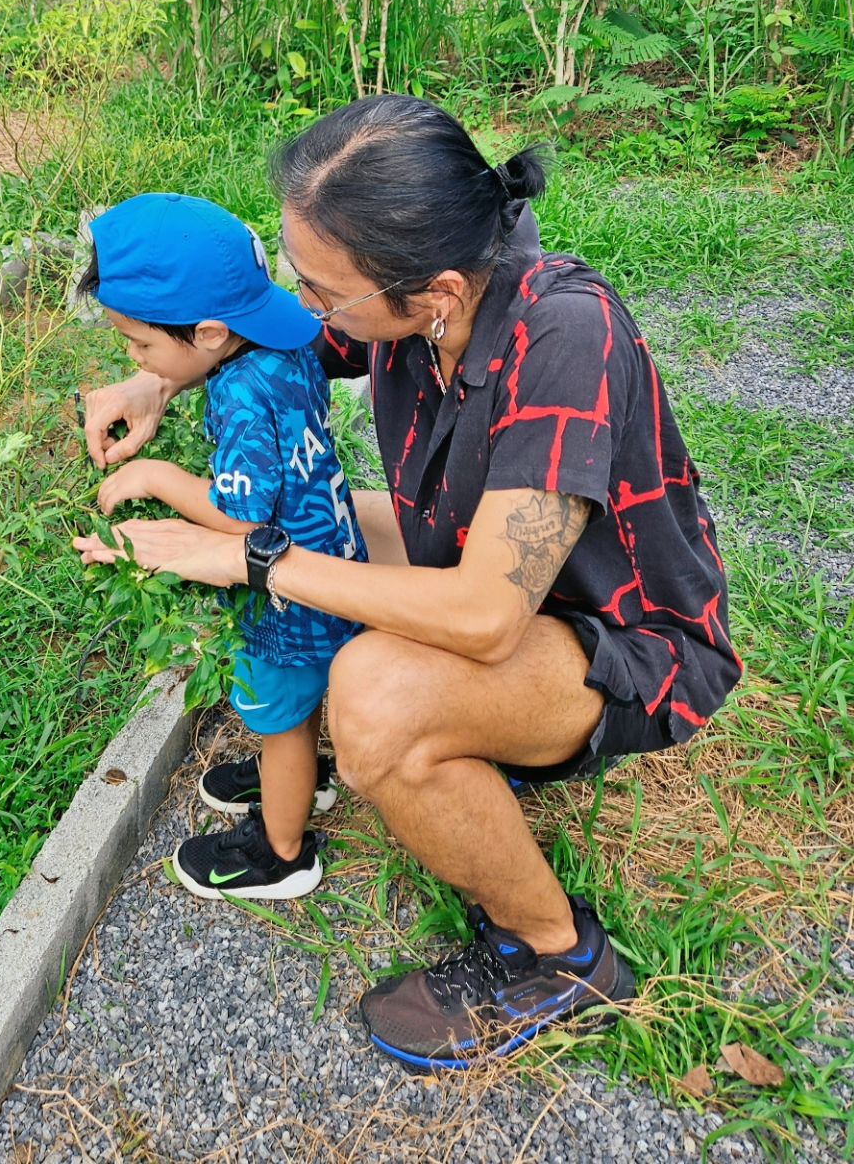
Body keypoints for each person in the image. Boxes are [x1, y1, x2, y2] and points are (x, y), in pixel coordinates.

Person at [74, 97, 740, 1070]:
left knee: (373, 699)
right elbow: (279, 337)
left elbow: (482, 614)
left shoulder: (564, 339)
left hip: (619, 642)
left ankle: (558, 955)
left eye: (319, 287)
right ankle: (317, 755)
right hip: (485, 567)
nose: (304, 304)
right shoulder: (417, 294)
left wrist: (254, 559)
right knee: (333, 516)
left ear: (431, 295)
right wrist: (155, 381)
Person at [79, 192, 370, 900]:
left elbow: (240, 517)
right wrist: (158, 377)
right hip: (332, 550)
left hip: (288, 588)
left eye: (142, 344)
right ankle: (296, 775)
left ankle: (282, 850)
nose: (134, 358)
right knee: (295, 703)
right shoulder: (287, 336)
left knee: (281, 713)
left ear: (209, 333)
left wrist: (156, 475)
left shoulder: (237, 397)